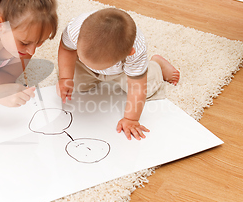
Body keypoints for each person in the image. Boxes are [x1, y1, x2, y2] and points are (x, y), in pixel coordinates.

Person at [56, 8, 180, 140]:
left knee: (148, 89)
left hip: (122, 72)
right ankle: (83, 65)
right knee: (73, 84)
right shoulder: (75, 29)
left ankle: (156, 64)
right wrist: (66, 78)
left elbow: (137, 87)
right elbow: (66, 49)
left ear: (128, 53)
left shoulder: (136, 52)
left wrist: (131, 119)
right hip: (82, 65)